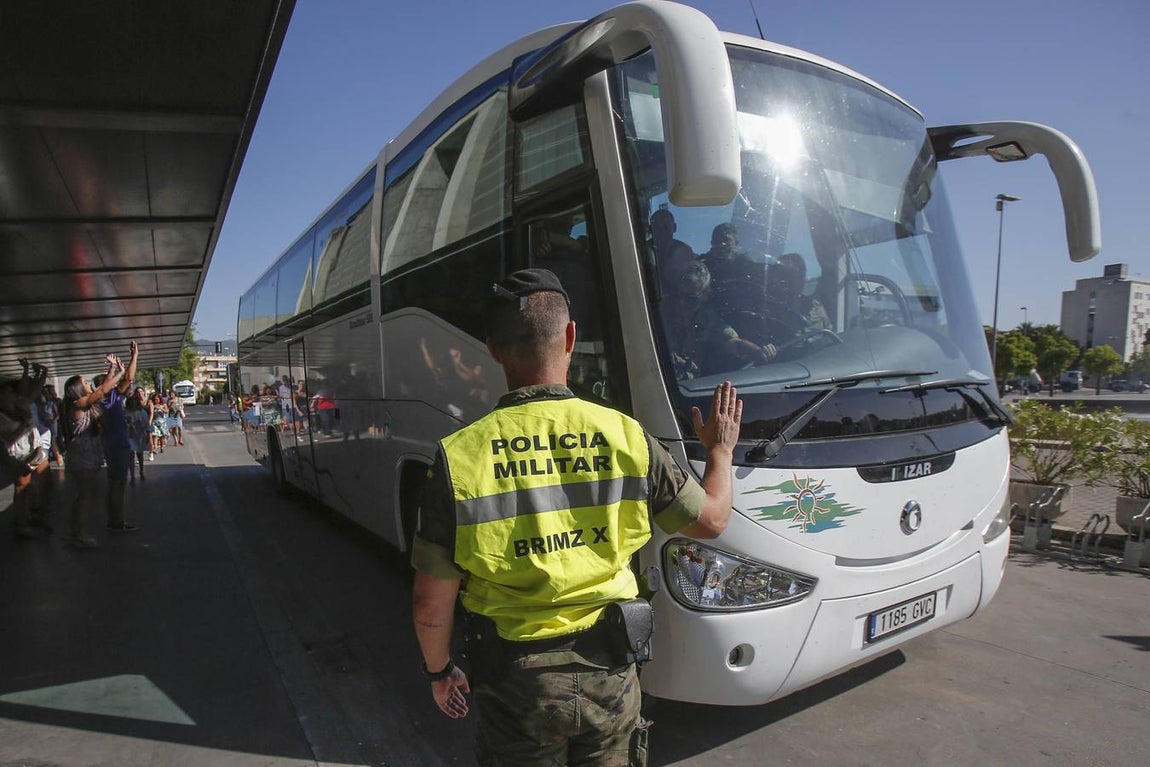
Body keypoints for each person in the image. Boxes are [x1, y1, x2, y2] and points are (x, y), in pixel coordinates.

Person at [411, 268, 742, 765]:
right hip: (610, 672)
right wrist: (719, 452)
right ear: (570, 336)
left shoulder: (458, 457)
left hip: (514, 683)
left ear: (494, 350)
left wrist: (440, 673)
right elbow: (712, 520)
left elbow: (429, 604)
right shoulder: (627, 436)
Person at [663, 259, 776, 378]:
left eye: (690, 299)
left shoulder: (708, 318)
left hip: (686, 386)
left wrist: (759, 352)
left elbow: (734, 343)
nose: (681, 303)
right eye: (678, 295)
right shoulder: (656, 310)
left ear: (705, 296)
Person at [62, 354, 126, 547]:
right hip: (83, 453)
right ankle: (79, 534)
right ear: (77, 389)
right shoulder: (78, 404)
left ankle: (74, 530)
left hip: (84, 451)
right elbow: (102, 391)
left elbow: (102, 388)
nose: (88, 383)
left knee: (83, 494)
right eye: (84, 382)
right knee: (85, 495)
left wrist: (112, 369)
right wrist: (120, 371)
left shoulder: (81, 403)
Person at [96, 341, 140, 532]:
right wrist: (134, 357)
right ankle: (117, 522)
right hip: (117, 444)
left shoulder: (108, 400)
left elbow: (125, 379)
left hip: (111, 443)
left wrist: (114, 367)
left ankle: (113, 519)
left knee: (114, 483)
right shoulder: (110, 398)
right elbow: (129, 379)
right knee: (118, 485)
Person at [760, 252, 831, 344]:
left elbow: (830, 340)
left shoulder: (816, 308)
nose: (792, 281)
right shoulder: (767, 309)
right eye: (787, 275)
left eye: (799, 274)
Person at [125, 387, 150, 483]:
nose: (133, 403)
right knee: (131, 456)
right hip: (129, 436)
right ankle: (132, 475)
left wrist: (148, 436)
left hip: (139, 436)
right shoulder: (126, 412)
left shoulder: (142, 412)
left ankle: (141, 472)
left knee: (140, 455)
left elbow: (147, 425)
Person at [149, 391, 169, 458]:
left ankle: (161, 446)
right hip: (155, 421)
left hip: (162, 422)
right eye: (155, 399)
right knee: (155, 435)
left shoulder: (163, 404)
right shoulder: (152, 405)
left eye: (157, 399)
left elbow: (167, 411)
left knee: (162, 436)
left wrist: (161, 408)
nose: (156, 400)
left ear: (160, 399)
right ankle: (155, 448)